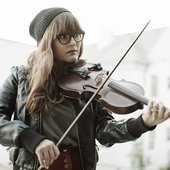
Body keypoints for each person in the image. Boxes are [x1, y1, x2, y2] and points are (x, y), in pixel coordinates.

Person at [0, 7, 169, 170]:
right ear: (47, 41)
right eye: (64, 36)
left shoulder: (90, 79)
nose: (74, 42)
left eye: (77, 35)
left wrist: (143, 123)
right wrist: (31, 139)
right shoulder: (20, 77)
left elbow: (104, 131)